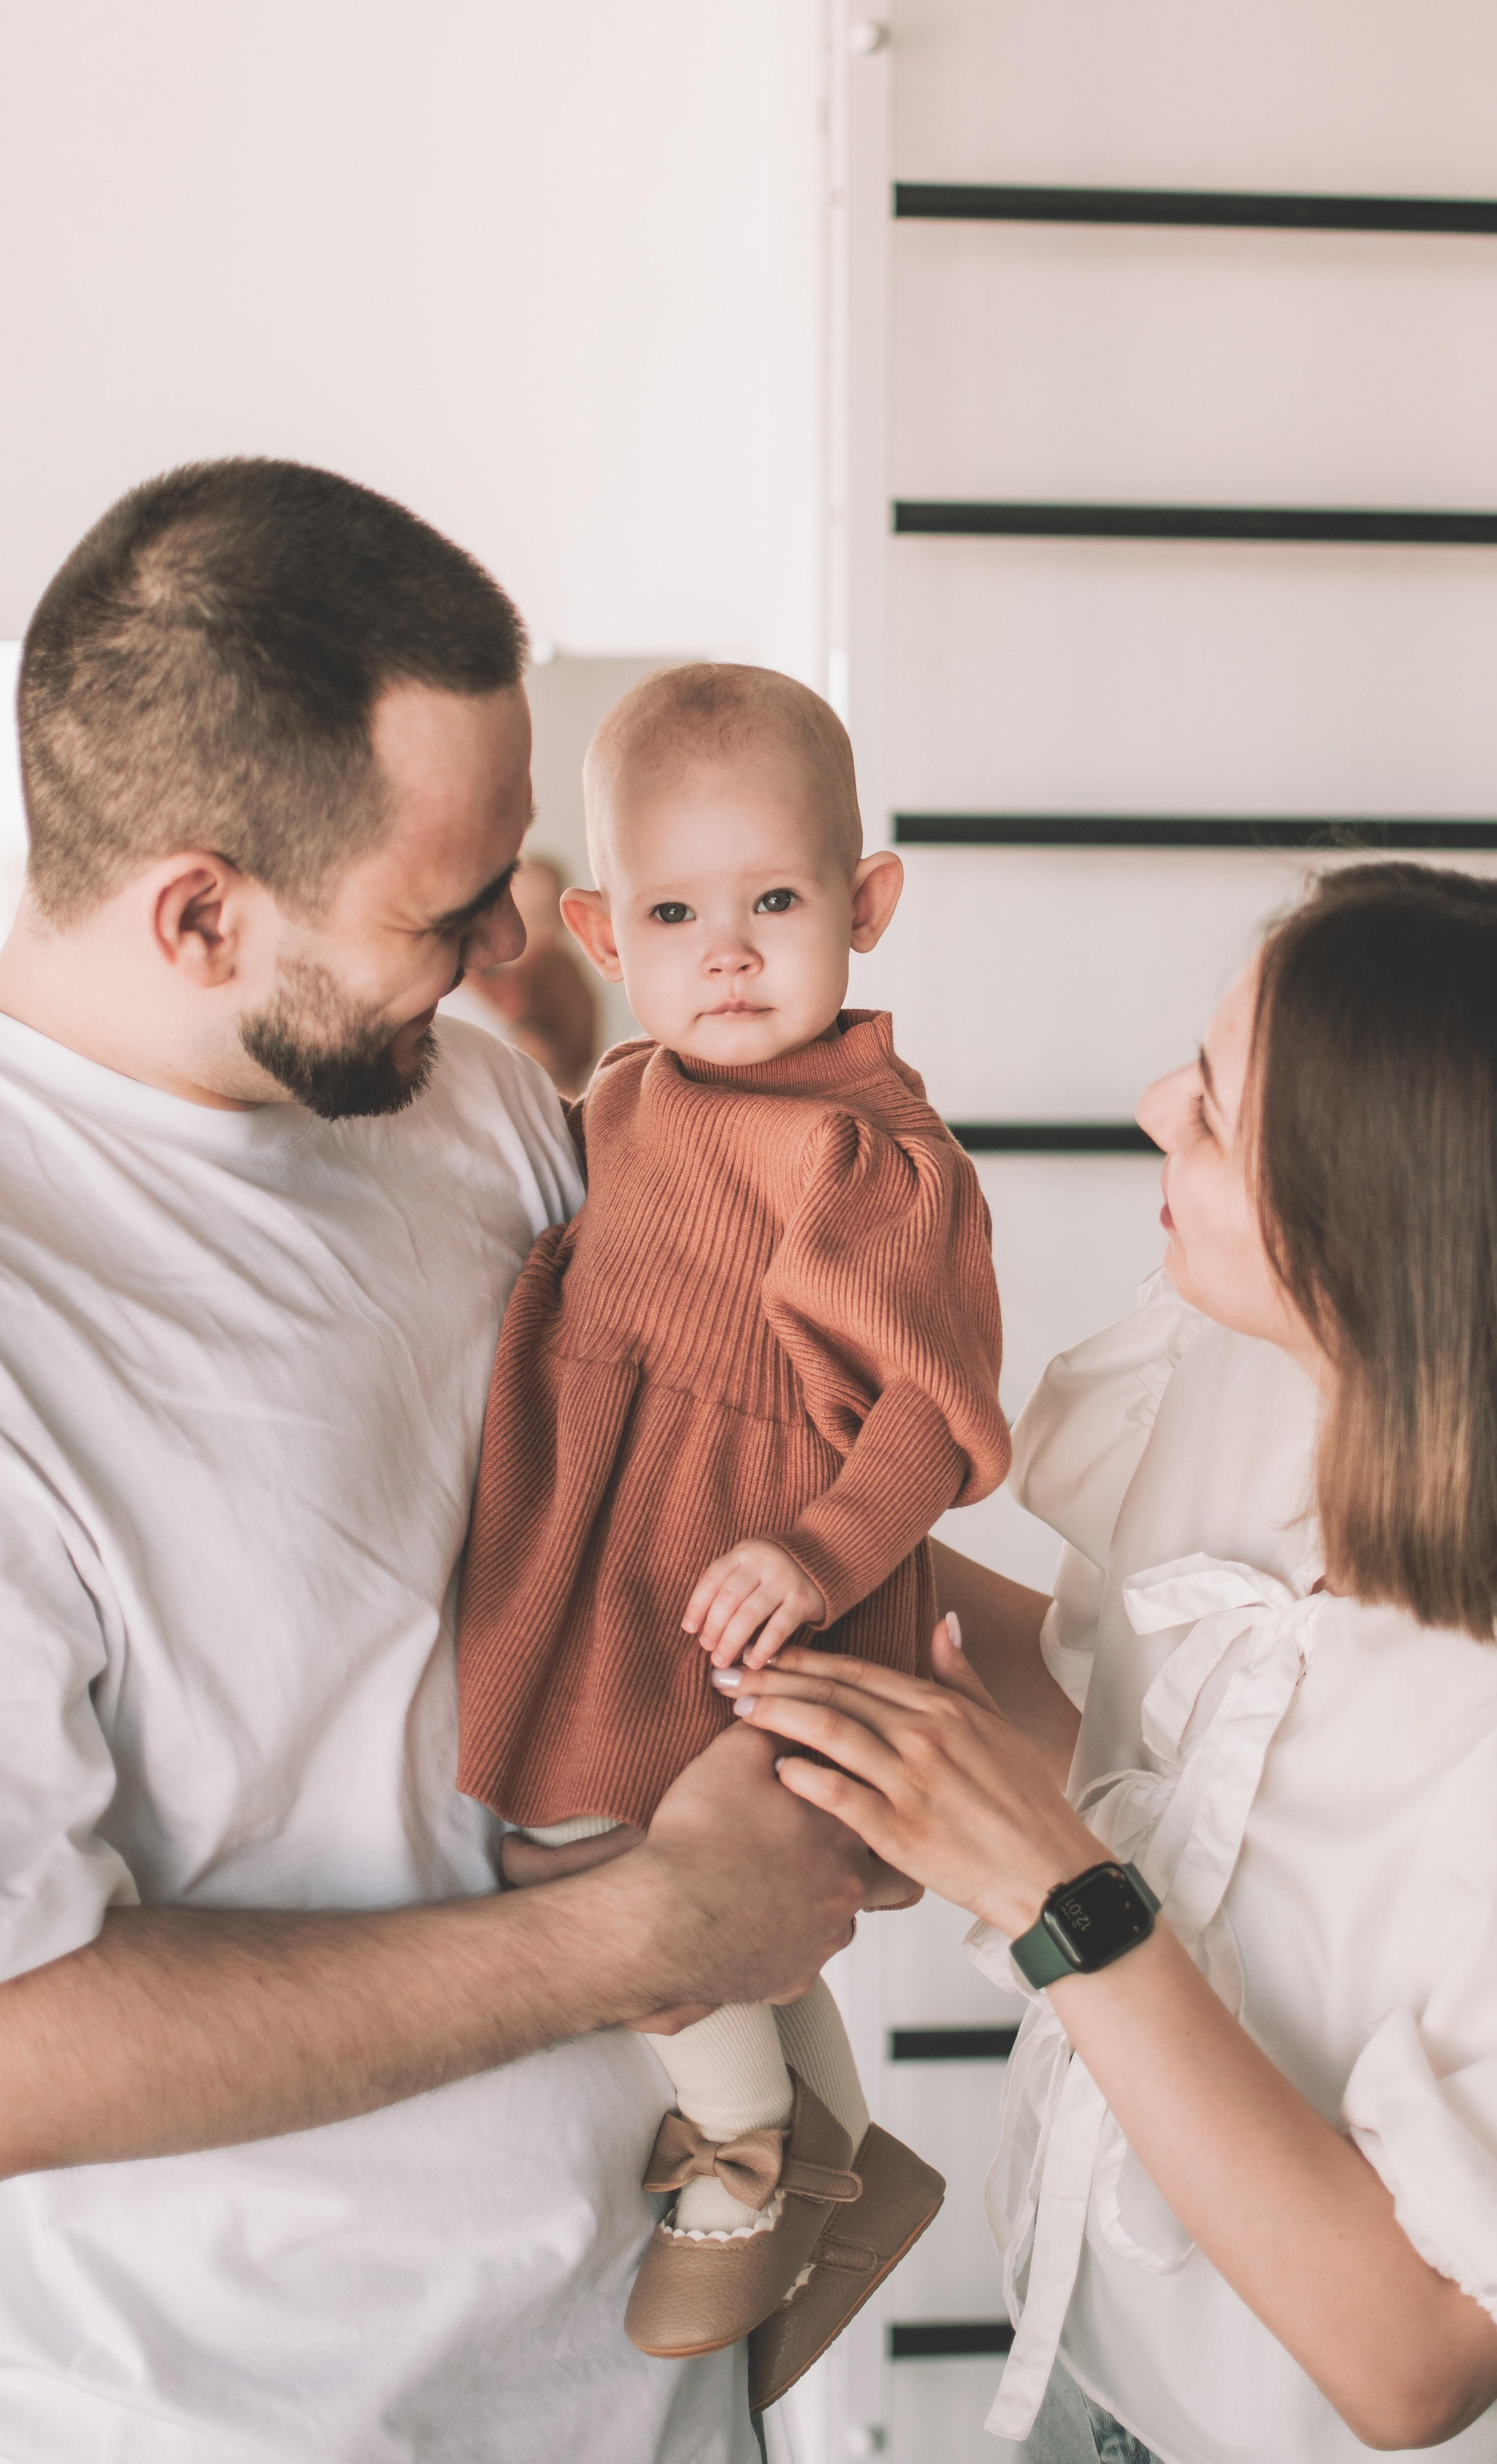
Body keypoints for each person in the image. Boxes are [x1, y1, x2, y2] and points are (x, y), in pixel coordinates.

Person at [0, 459, 877, 2464]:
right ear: (201, 907)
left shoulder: (463, 1095)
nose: (514, 939)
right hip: (248, 2420)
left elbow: (700, 1471)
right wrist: (650, 1935)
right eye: (447, 901)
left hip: (652, 2371)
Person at [721, 865, 1497, 2463]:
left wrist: (1053, 1890)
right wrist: (776, 1533)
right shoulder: (1247, 1376)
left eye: (1214, 1110)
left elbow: (1411, 2358)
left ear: (1387, 1242)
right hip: (1086, 2388)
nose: (1155, 1105)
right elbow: (1119, 1708)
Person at [457, 662, 1011, 2395]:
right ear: (611, 935)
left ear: (869, 907)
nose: (734, 953)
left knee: (585, 1849)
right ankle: (832, 2137)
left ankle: (747, 2148)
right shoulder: (625, 1094)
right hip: (613, 1538)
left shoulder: (875, 1157)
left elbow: (929, 1417)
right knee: (666, 1869)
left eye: (778, 904)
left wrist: (819, 1557)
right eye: (684, 914)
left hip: (749, 1561)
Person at [442, 849, 601, 1092]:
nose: (527, 933)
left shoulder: (556, 969)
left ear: (562, 924)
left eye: (540, 917)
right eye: (517, 911)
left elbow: (545, 1054)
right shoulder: (478, 972)